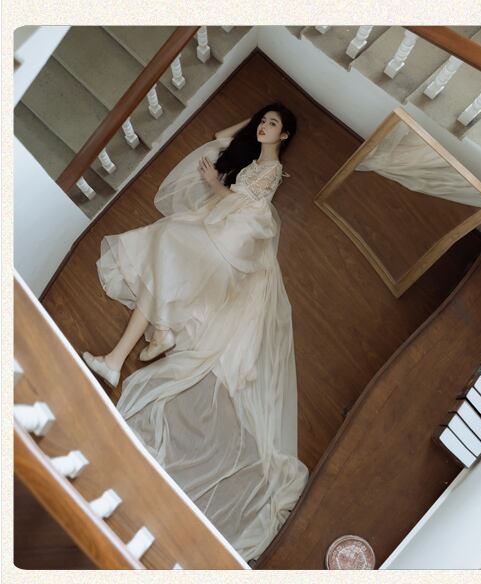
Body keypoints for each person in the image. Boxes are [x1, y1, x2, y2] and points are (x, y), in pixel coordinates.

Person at [81, 103, 308, 561]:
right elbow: (222, 135)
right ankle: (129, 351)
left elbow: (243, 205)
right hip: (220, 227)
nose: (263, 128)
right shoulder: (255, 153)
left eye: (272, 125)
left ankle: (130, 350)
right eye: (263, 121)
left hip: (231, 240)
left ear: (284, 137)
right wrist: (252, 122)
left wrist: (214, 185)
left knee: (164, 244)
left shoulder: (270, 169)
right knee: (163, 248)